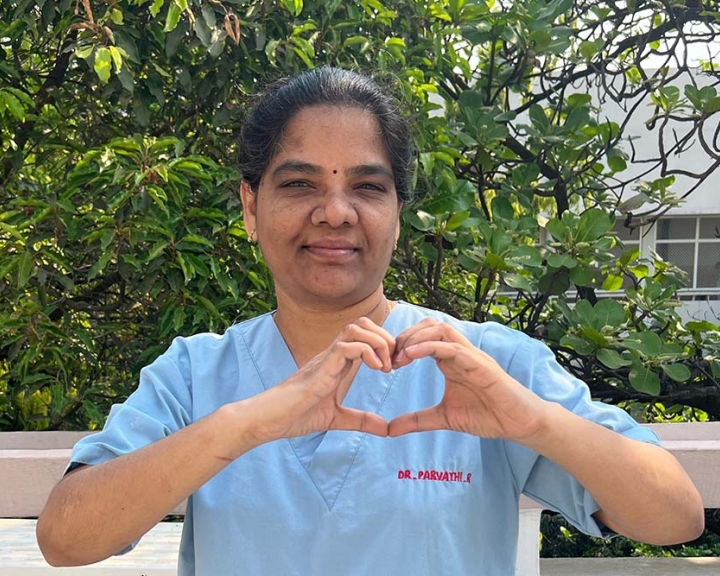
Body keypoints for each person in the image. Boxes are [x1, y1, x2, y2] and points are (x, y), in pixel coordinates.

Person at [36, 67, 704, 575]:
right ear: (250, 206)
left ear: (399, 210)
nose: (335, 212)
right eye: (299, 185)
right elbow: (68, 537)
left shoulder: (480, 364)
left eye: (367, 186)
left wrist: (532, 419)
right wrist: (248, 422)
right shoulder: (196, 373)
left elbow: (674, 515)